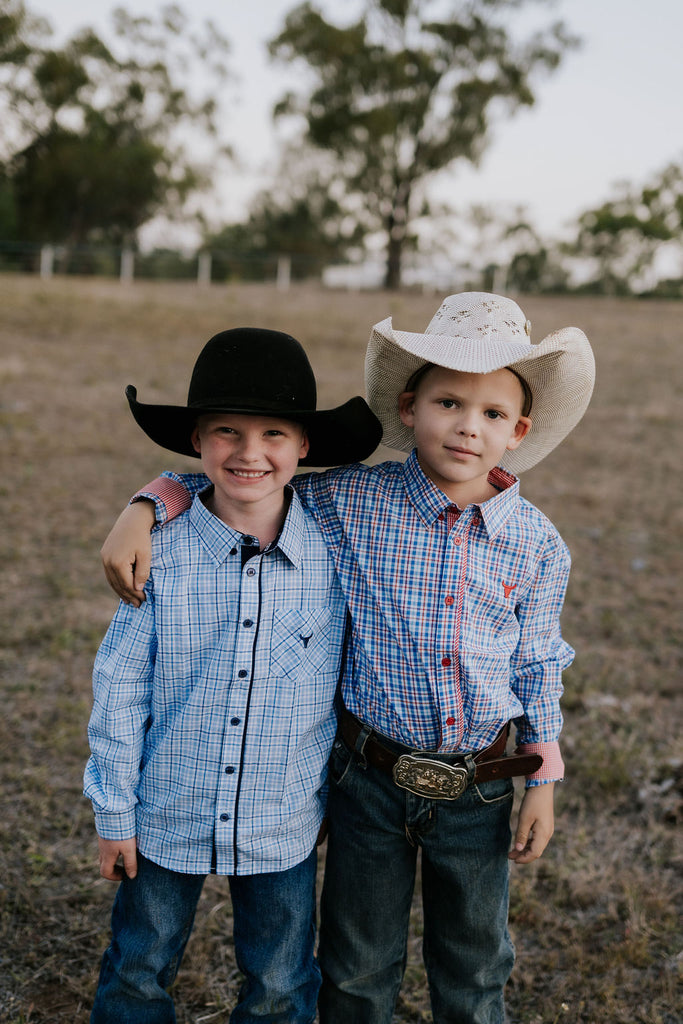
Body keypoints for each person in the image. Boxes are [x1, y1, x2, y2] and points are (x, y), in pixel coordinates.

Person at [100, 293, 595, 1024]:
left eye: (491, 414)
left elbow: (538, 661)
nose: (466, 425)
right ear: (409, 407)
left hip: (481, 781)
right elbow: (240, 486)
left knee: (475, 958)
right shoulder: (351, 500)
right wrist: (146, 503)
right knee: (355, 962)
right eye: (448, 401)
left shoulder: (537, 543)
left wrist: (544, 777)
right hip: (370, 776)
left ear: (517, 430)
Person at [84, 326, 382, 1024]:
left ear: (304, 446)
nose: (250, 454)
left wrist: (149, 495)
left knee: (280, 982)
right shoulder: (159, 553)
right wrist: (114, 813)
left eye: (275, 434)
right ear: (195, 441)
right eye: (226, 432)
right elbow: (120, 691)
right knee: (137, 968)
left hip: (283, 820)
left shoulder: (338, 546)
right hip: (166, 810)